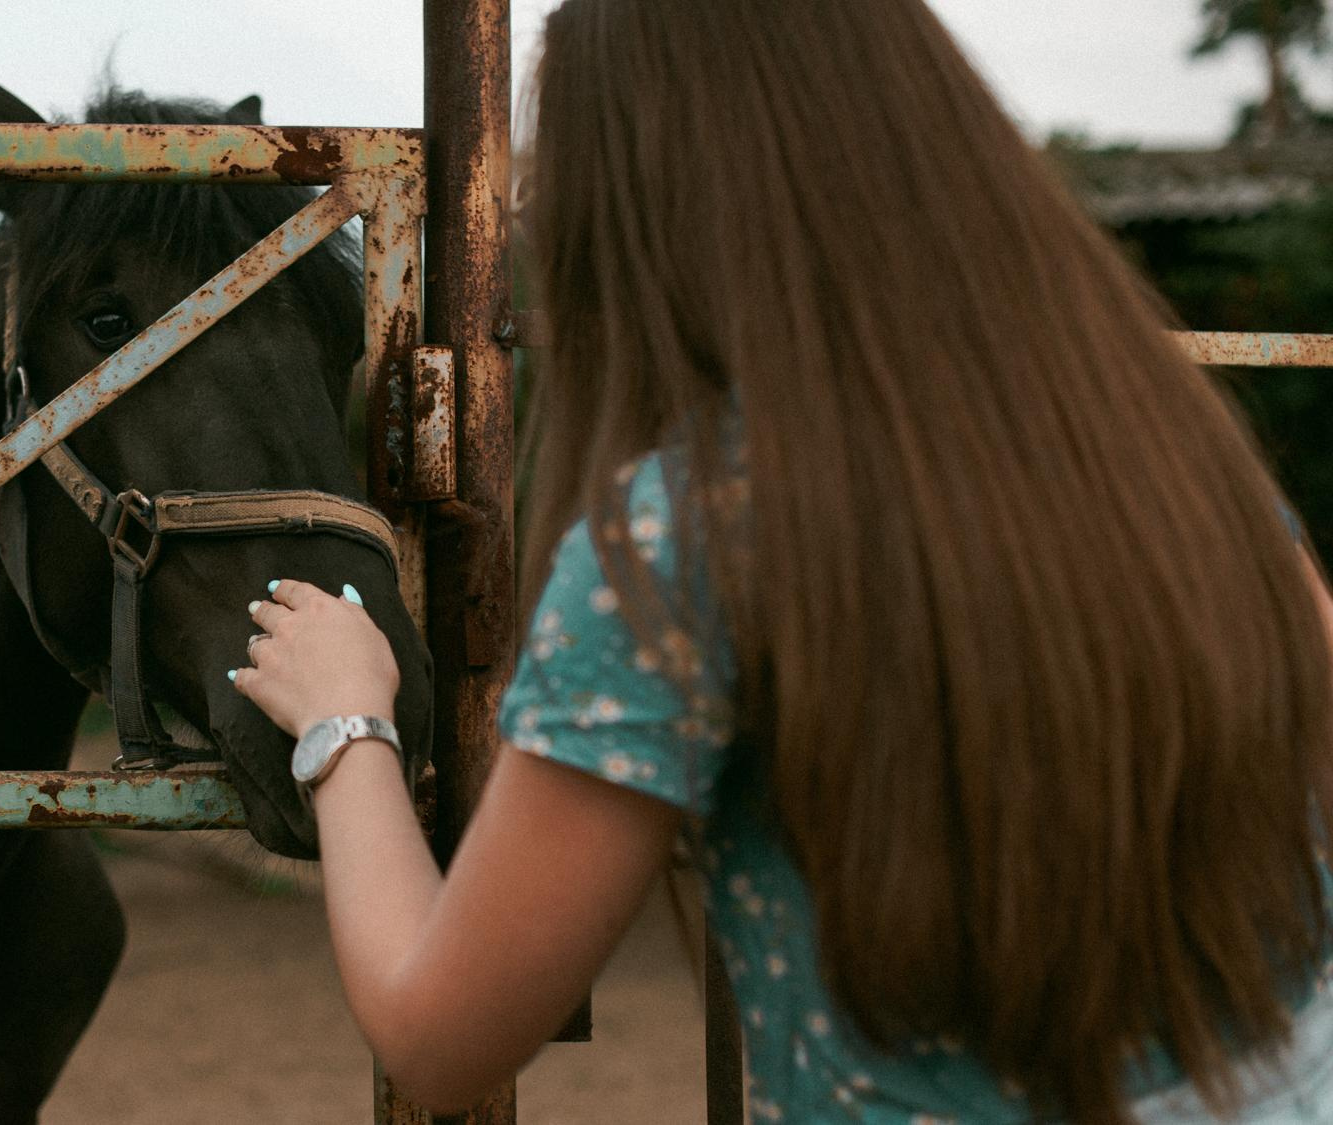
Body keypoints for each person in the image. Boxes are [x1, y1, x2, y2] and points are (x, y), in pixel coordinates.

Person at [228, 0, 1333, 1121]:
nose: (530, 212)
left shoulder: (683, 542)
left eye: (543, 179)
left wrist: (345, 724)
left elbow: (438, 1036)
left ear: (647, 205)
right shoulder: (1177, 444)